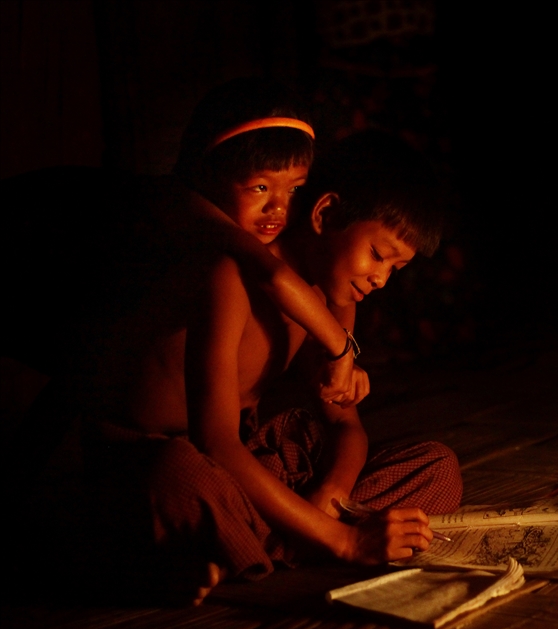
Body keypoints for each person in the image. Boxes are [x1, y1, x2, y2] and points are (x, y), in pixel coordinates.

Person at [83, 130, 462, 605]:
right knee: (178, 474)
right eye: (378, 255)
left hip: (245, 466)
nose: (380, 279)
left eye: (395, 270)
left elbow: (347, 427)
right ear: (325, 214)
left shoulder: (337, 300)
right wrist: (343, 537)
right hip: (154, 454)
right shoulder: (231, 276)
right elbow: (214, 443)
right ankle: (294, 542)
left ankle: (238, 548)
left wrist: (331, 493)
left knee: (436, 468)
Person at [1, 78, 364, 509]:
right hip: (30, 255)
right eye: (260, 188)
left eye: (294, 189)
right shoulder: (180, 203)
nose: (278, 209)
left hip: (97, 308)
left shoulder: (239, 240)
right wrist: (342, 350)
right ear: (211, 173)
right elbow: (274, 275)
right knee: (83, 373)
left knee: (87, 371)